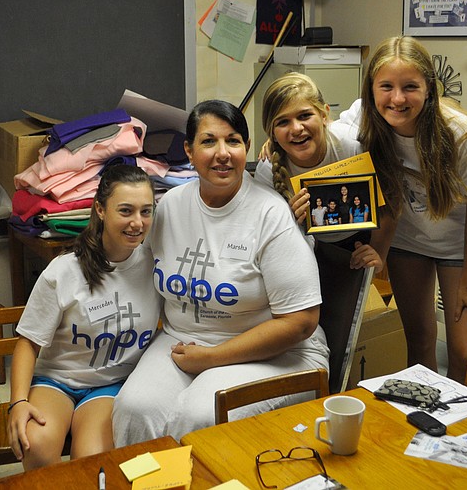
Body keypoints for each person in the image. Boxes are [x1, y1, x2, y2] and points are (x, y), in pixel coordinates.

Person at [112, 99, 330, 445]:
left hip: (279, 353)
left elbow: (301, 322)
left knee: (201, 413)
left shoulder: (270, 215)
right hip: (184, 341)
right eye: (209, 141)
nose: (222, 153)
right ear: (189, 150)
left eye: (233, 141)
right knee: (134, 407)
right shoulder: (169, 207)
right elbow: (136, 275)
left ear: (247, 148)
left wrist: (212, 358)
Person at [339, 35, 467, 383]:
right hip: (409, 242)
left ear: (429, 88)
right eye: (386, 87)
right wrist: (276, 140)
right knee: (420, 342)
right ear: (371, 89)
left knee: (466, 354)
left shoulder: (464, 135)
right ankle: (426, 423)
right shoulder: (363, 117)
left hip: (460, 245)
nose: (397, 98)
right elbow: (322, 135)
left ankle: (459, 428)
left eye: (410, 86)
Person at [7, 165, 161, 470]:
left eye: (146, 211)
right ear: (100, 210)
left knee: (93, 463)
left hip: (110, 384)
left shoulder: (156, 264)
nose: (137, 223)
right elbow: (28, 344)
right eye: (126, 211)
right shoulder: (64, 271)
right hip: (57, 380)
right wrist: (18, 402)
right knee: (35, 444)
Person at [255, 71, 381, 269]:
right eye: (283, 122)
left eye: (305, 116)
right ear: (272, 132)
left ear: (324, 115)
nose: (296, 128)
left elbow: (387, 208)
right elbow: (265, 236)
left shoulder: (353, 146)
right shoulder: (267, 170)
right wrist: (290, 219)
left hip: (359, 244)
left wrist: (378, 252)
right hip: (300, 250)